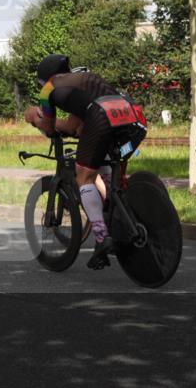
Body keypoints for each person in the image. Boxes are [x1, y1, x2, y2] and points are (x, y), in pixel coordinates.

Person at [24, 54, 147, 270]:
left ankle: (101, 238)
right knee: (112, 172)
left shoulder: (48, 90)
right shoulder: (83, 80)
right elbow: (73, 127)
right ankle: (122, 207)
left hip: (102, 118)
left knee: (84, 176)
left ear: (44, 79)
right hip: (134, 120)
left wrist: (35, 117)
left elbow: (50, 127)